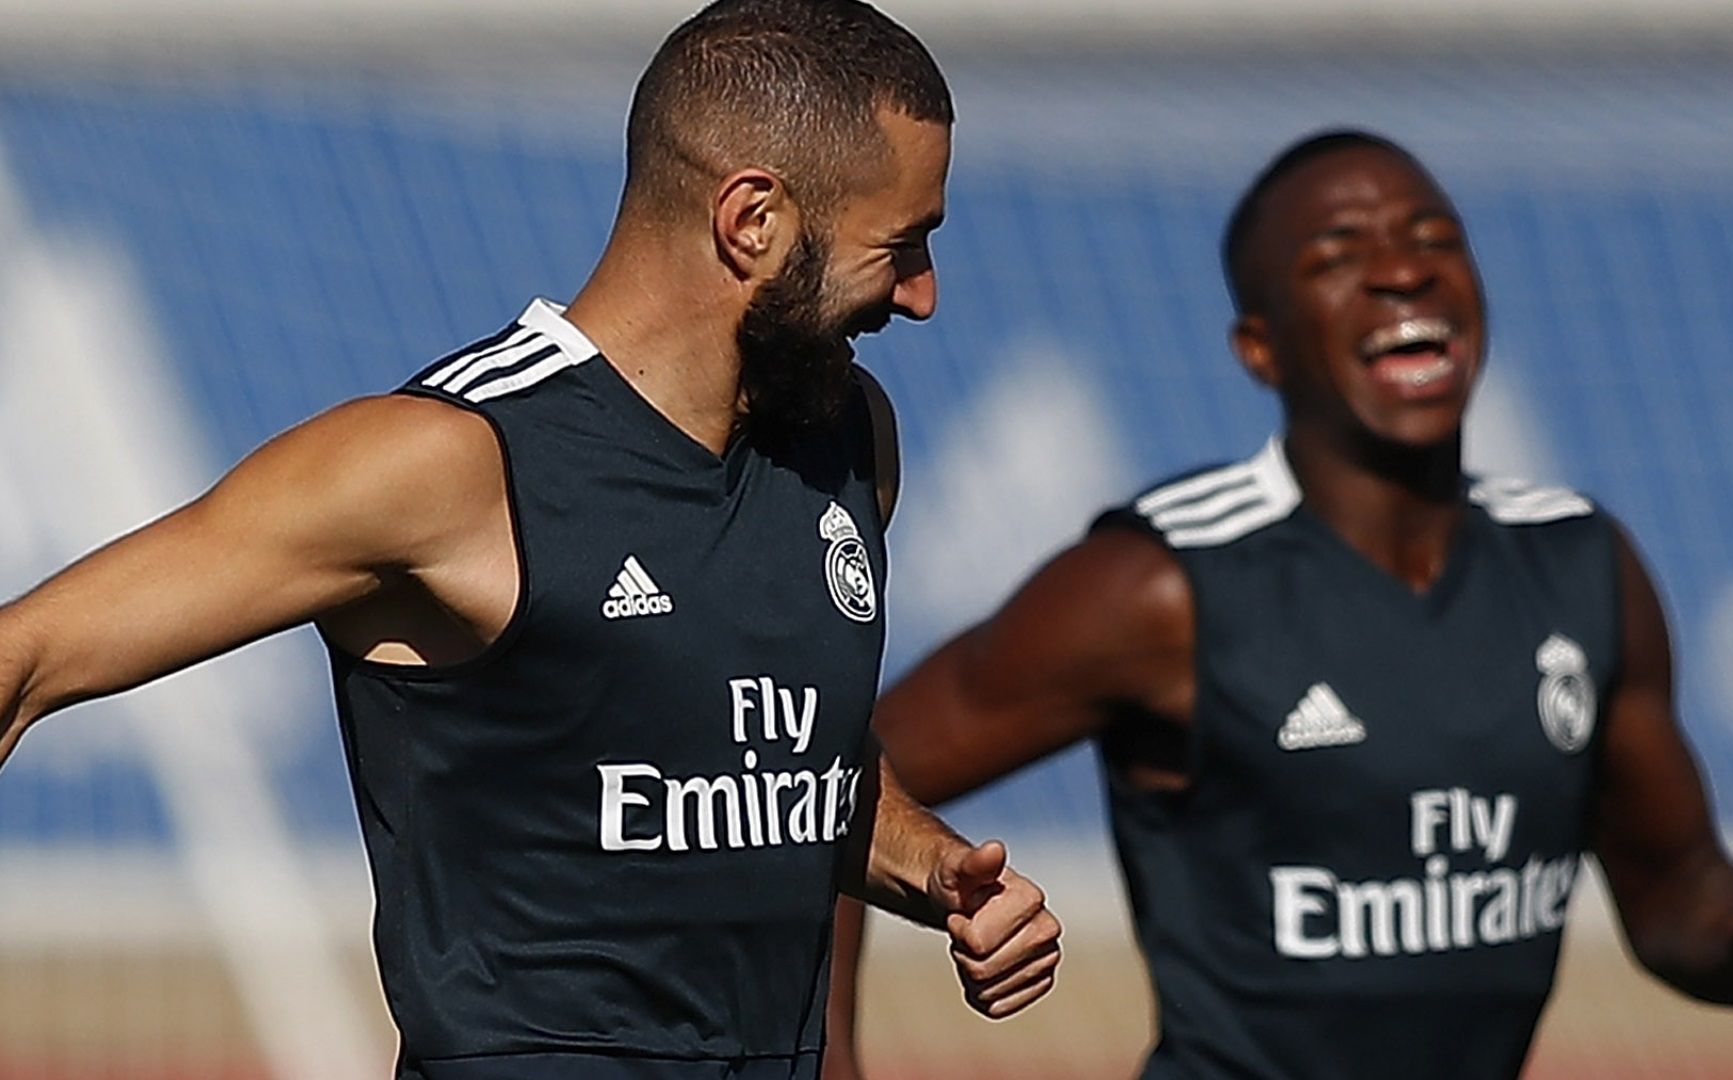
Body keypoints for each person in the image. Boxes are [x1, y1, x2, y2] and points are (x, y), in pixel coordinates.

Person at [0, 2, 1063, 1078]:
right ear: (753, 221)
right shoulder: (449, 464)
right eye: (903, 246)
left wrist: (931, 868)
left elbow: (777, 766)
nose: (923, 297)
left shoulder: (847, 441)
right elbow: (25, 656)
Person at [831, 130, 1733, 1079]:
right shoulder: (1163, 585)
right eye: (1338, 258)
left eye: (1435, 240)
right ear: (1259, 347)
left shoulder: (1584, 567)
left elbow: (1677, 899)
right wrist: (827, 1059)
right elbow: (824, 782)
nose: (1402, 271)